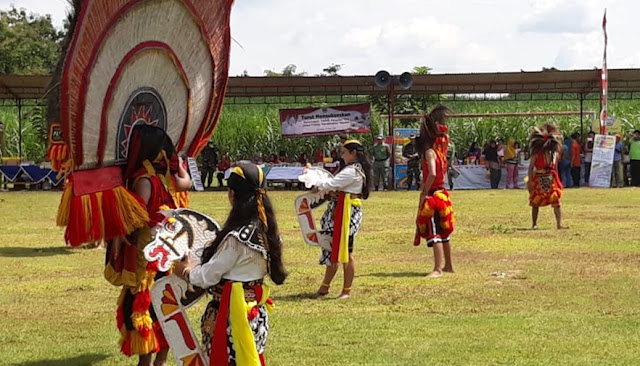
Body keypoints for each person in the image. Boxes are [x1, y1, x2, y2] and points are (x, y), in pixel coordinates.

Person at [174, 162, 287, 365]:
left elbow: (209, 276)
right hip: (254, 312)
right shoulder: (268, 232)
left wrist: (186, 272)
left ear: (232, 194)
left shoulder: (237, 238)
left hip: (230, 316)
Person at [104, 124, 191, 366]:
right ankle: (154, 361)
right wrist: (180, 168)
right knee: (156, 303)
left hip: (157, 255)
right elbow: (186, 183)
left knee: (154, 305)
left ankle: (153, 362)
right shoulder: (157, 179)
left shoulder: (152, 179)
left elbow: (134, 218)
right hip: (158, 253)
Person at [312, 139, 371, 299]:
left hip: (345, 214)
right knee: (333, 249)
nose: (342, 155)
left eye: (344, 152)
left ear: (353, 153)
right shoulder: (353, 169)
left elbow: (331, 183)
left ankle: (346, 290)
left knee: (346, 252)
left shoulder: (352, 171)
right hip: (339, 212)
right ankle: (325, 287)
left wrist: (314, 182)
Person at [414, 105, 455, 278]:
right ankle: (448, 266)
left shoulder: (430, 152)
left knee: (434, 232)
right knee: (443, 231)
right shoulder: (440, 151)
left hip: (433, 195)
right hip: (442, 192)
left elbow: (431, 172)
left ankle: (438, 269)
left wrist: (424, 191)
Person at [527, 124, 566, 230]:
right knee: (535, 202)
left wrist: (557, 180)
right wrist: (530, 181)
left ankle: (559, 224)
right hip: (538, 177)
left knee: (556, 201)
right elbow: (531, 167)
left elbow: (555, 168)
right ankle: (534, 224)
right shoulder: (536, 153)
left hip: (551, 178)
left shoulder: (554, 154)